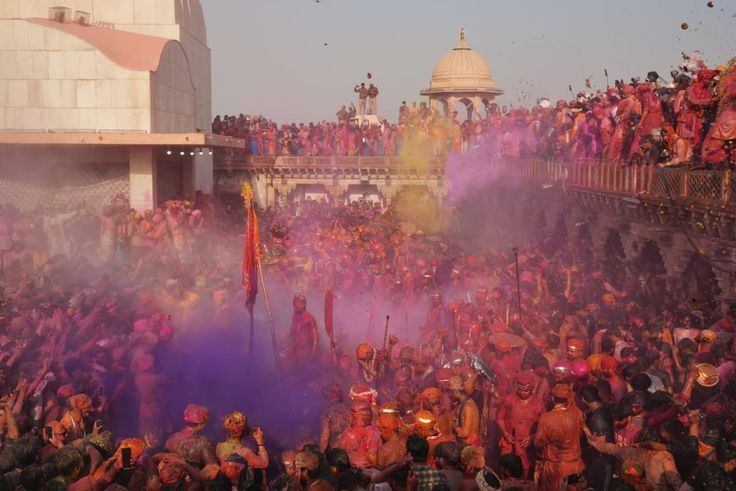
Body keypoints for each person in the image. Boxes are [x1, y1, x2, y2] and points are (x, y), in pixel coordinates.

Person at [534, 384, 585, 491]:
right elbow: (582, 434)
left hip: (554, 469)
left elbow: (537, 443)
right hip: (574, 467)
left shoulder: (545, 418)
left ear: (553, 398)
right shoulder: (577, 414)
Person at [496, 371, 545, 477]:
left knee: (524, 471)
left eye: (525, 391)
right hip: (509, 442)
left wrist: (532, 438)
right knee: (505, 469)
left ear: (531, 389)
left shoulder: (539, 405)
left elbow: (544, 427)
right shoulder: (509, 399)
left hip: (525, 446)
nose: (522, 393)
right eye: (520, 390)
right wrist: (505, 433)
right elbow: (500, 418)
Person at [165, 403, 217, 468]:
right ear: (202, 424)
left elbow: (163, 459)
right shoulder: (204, 444)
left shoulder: (172, 438)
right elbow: (212, 470)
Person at [290, 295, 320, 366]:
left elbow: (315, 336)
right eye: (295, 302)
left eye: (298, 303)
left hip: (305, 352)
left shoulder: (309, 318)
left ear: (303, 305)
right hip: (295, 351)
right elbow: (292, 332)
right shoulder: (295, 317)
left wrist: (313, 351)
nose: (295, 305)